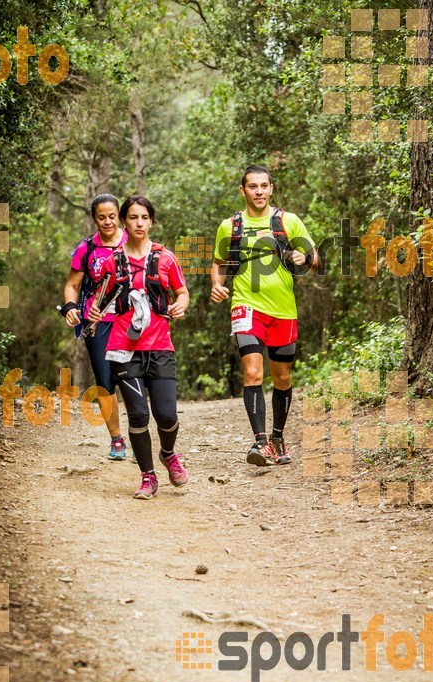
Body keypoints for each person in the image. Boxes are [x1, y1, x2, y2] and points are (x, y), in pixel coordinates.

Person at [210, 164, 318, 466]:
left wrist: (305, 257)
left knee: (282, 378)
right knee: (253, 373)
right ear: (242, 190)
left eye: (264, 186)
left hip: (283, 310)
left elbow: (318, 261)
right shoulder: (229, 226)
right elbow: (219, 263)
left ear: (271, 189)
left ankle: (278, 437)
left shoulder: (288, 221)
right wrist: (217, 285)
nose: (259, 191)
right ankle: (260, 442)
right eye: (252, 186)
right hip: (246, 305)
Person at [88, 194, 190, 500]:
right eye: (133, 218)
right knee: (138, 416)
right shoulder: (112, 262)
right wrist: (94, 311)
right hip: (123, 348)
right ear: (124, 222)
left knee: (167, 415)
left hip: (160, 345)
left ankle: (169, 454)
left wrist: (180, 306)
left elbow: (182, 292)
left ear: (152, 221)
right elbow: (100, 298)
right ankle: (148, 477)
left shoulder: (165, 259)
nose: (139, 223)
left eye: (144, 217)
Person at [61, 194, 127, 460]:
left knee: (133, 378)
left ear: (119, 215)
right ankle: (117, 440)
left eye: (112, 216)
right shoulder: (86, 248)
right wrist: (70, 307)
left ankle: (140, 434)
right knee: (105, 381)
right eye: (102, 217)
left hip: (130, 321)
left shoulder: (133, 242)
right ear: (94, 218)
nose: (108, 221)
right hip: (96, 322)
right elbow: (72, 285)